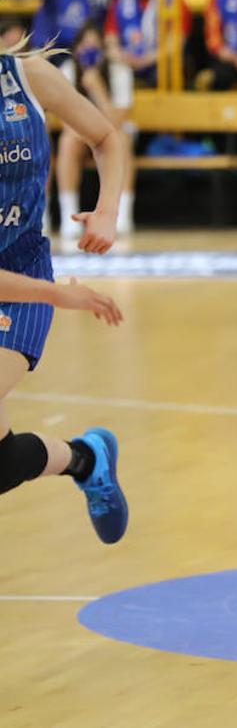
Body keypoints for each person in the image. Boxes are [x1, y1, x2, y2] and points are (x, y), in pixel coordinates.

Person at [0, 36, 129, 543]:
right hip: (32, 286)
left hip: (21, 274)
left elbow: (106, 138)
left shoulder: (29, 78)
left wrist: (107, 210)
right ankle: (85, 459)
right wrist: (60, 295)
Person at [102, 0, 192, 235]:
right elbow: (110, 38)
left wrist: (147, 59)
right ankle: (121, 118)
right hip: (125, 69)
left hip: (157, 69)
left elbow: (177, 41)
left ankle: (121, 119)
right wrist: (120, 54)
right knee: (115, 70)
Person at [56, 24, 132, 247]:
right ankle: (68, 216)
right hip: (79, 133)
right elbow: (65, 120)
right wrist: (86, 134)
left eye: (94, 45)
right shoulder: (68, 69)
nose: (89, 50)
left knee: (122, 141)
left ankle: (121, 215)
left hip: (112, 132)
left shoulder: (119, 70)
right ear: (77, 48)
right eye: (85, 45)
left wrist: (97, 88)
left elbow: (117, 122)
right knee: (67, 142)